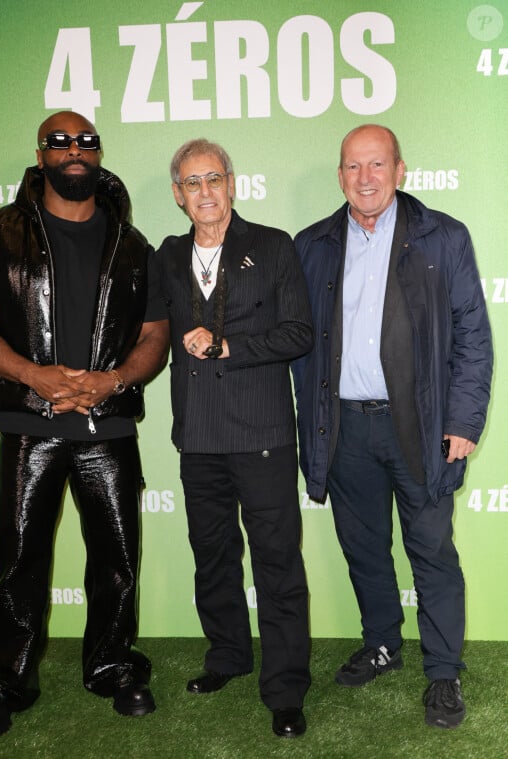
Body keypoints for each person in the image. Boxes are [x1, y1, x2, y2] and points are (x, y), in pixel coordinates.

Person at [0, 111, 169, 740]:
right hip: (28, 420)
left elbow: (155, 334)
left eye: (86, 142)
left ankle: (112, 666)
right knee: (18, 560)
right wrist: (32, 375)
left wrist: (115, 380)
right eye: (61, 141)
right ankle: (2, 681)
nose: (75, 151)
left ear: (99, 154)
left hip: (107, 426)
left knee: (118, 560)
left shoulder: (133, 246)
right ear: (41, 152)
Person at [292, 124, 492, 729]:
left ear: (400, 170)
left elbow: (473, 338)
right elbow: (295, 339)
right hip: (345, 426)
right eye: (354, 167)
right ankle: (382, 642)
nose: (366, 178)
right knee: (363, 547)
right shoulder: (314, 244)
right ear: (340, 175)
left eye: (377, 165)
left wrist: (462, 420)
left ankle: (443, 673)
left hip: (423, 428)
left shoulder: (444, 236)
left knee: (431, 550)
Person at [154, 138, 313, 738]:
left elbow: (300, 331)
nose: (205, 192)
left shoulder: (272, 246)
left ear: (232, 184)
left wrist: (230, 347)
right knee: (212, 556)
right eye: (191, 183)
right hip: (198, 436)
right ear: (178, 195)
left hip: (264, 435)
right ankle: (227, 656)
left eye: (213, 178)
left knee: (276, 562)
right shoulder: (166, 257)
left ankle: (286, 688)